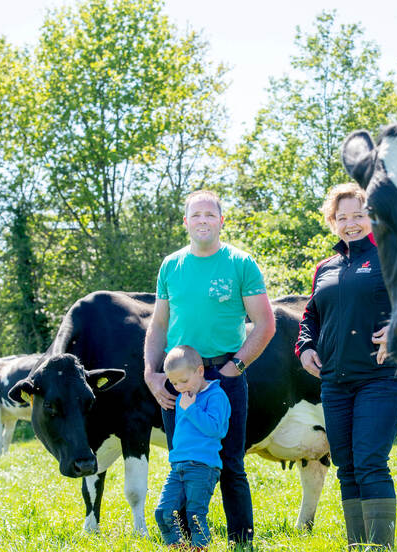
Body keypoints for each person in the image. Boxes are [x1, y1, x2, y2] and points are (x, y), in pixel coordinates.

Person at [144, 189, 276, 546]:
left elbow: (265, 323)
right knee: (182, 463)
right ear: (186, 222)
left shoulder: (240, 263)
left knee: (232, 463)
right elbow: (157, 325)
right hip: (179, 380)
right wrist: (151, 373)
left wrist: (235, 367)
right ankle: (185, 543)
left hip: (224, 378)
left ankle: (241, 541)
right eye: (196, 215)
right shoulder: (171, 265)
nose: (203, 220)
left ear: (221, 221)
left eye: (209, 214)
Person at [295, 182, 397, 549]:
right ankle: (357, 545)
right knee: (346, 465)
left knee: (369, 461)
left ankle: (380, 547)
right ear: (332, 222)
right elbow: (310, 315)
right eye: (342, 217)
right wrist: (304, 347)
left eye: (358, 216)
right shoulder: (324, 268)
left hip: (383, 376)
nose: (350, 224)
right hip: (335, 381)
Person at [154, 345, 230, 549]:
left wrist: (192, 408)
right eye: (173, 382)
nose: (179, 387)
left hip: (202, 466)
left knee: (195, 516)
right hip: (178, 466)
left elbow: (216, 429)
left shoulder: (216, 396)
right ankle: (177, 546)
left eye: (183, 381)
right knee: (163, 512)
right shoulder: (183, 398)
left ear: (200, 371)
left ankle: (200, 547)